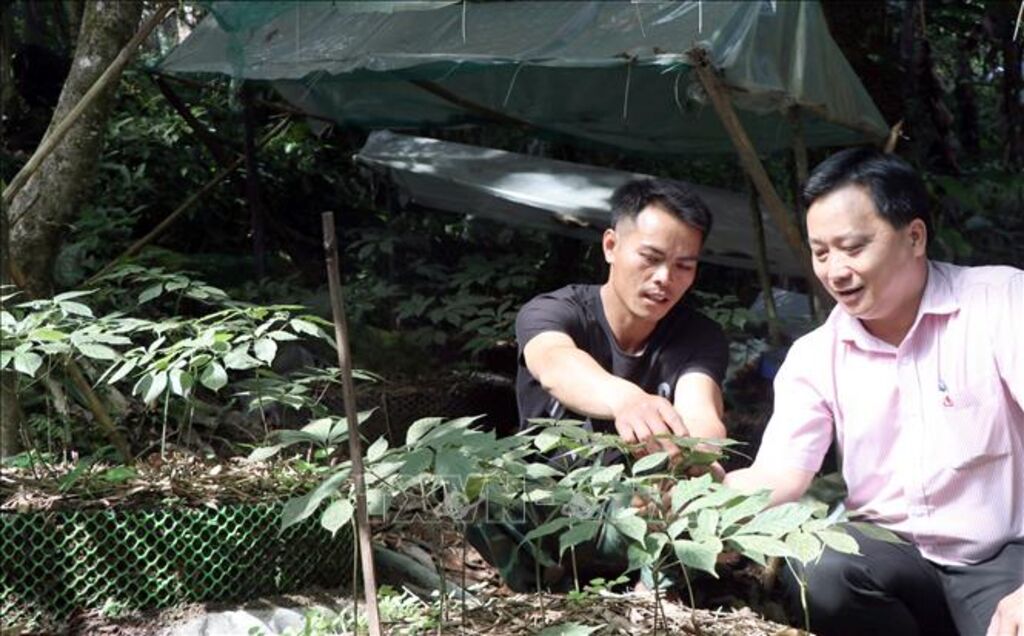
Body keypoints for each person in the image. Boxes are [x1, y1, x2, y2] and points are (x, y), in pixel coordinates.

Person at [724, 148, 1023, 636]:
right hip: (890, 554)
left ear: (914, 236)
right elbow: (779, 474)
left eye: (852, 247)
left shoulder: (1000, 303)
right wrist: (699, 497)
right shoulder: (815, 355)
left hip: (1001, 557)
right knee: (820, 565)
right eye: (821, 253)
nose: (835, 270)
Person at [467, 177, 730, 591]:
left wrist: (694, 461)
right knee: (476, 489)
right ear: (611, 246)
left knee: (706, 488)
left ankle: (654, 600)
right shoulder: (555, 310)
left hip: (640, 513)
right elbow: (554, 362)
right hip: (555, 506)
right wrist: (626, 400)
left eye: (684, 266)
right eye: (651, 257)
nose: (664, 278)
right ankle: (540, 592)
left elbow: (703, 412)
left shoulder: (700, 336)